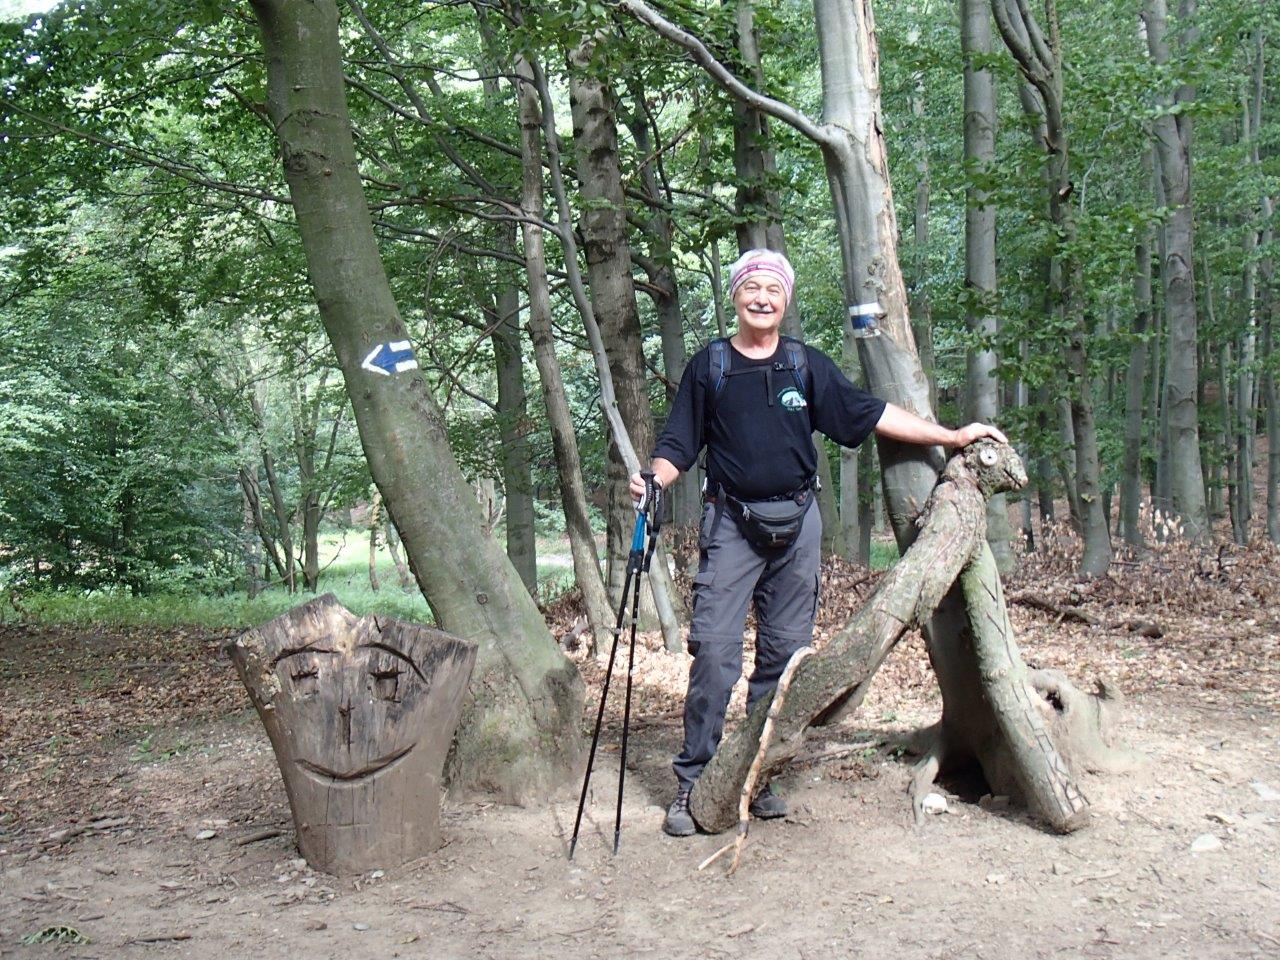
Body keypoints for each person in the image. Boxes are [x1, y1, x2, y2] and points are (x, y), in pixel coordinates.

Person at [630, 249, 1006, 837]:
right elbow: (678, 443)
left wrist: (952, 435)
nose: (762, 297)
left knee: (782, 662)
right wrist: (654, 478)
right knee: (715, 655)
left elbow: (870, 412)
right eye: (751, 287)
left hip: (797, 527)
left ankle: (757, 774)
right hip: (731, 525)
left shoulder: (805, 366)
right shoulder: (712, 368)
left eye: (773, 289)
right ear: (735, 295)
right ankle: (696, 778)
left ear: (785, 299)